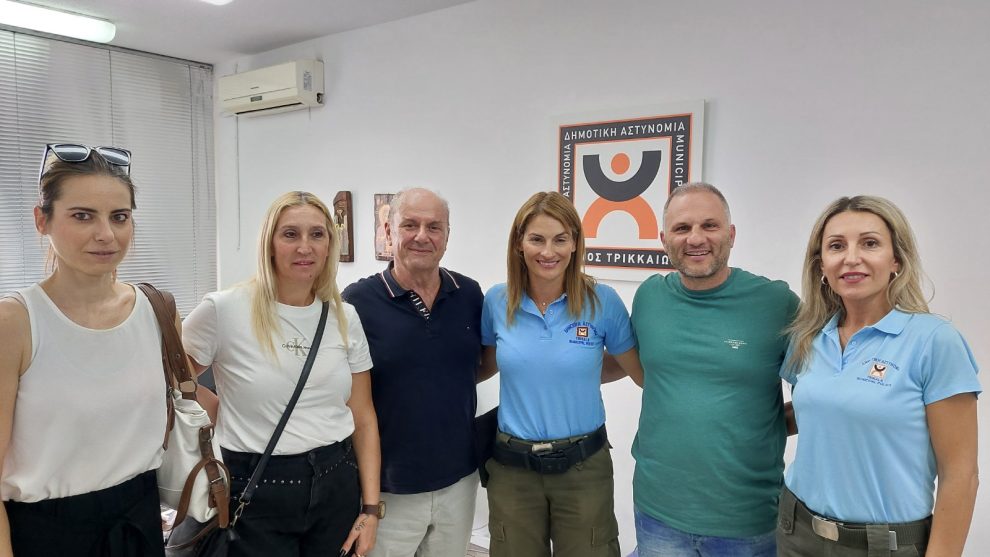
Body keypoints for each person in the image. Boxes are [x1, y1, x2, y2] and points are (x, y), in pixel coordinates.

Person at [777, 195, 980, 556]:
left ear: (896, 260)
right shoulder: (807, 336)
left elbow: (960, 476)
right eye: (836, 246)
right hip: (796, 533)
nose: (851, 257)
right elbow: (813, 411)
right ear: (821, 265)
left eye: (869, 243)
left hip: (885, 545)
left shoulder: (934, 342)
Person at [181, 191, 381, 557]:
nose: (305, 247)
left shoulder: (344, 316)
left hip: (336, 481)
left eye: (317, 234)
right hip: (255, 486)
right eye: (290, 234)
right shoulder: (223, 309)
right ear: (270, 243)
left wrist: (370, 509)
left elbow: (363, 415)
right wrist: (217, 410)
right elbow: (174, 384)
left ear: (329, 245)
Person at [0, 143, 168, 556]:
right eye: (82, 216)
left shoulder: (157, 310)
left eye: (119, 217)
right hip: (47, 534)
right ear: (42, 220)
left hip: (140, 525)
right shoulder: (16, 322)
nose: (105, 234)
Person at [629, 182, 798, 557]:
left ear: (731, 234)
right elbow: (645, 373)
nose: (695, 238)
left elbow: (820, 395)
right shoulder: (649, 297)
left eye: (709, 225)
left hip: (746, 522)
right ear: (664, 240)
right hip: (658, 513)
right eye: (682, 228)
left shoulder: (776, 303)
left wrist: (765, 425)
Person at [479, 191, 641, 557]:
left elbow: (637, 370)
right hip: (513, 470)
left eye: (560, 239)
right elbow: (486, 364)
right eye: (537, 239)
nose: (548, 251)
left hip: (583, 468)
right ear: (519, 243)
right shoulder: (497, 301)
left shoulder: (602, 301)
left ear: (575, 244)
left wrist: (581, 372)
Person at [343, 188, 483, 557]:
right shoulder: (357, 302)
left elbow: (474, 366)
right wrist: (368, 503)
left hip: (458, 482)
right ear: (389, 232)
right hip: (388, 489)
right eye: (410, 225)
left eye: (434, 227)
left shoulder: (469, 295)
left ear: (447, 236)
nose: (422, 236)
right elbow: (346, 395)